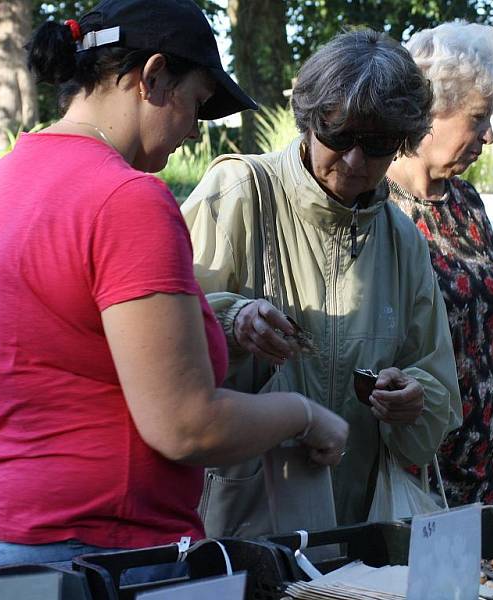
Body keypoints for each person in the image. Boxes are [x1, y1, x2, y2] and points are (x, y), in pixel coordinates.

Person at [0, 0, 348, 574]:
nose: (192, 130)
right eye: (197, 104)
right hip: (95, 553)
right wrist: (306, 415)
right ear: (153, 77)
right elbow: (186, 425)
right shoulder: (126, 198)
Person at [182, 29, 463, 527]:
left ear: (403, 144)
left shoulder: (402, 239)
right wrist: (232, 318)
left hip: (360, 525)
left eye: (377, 145)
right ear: (311, 121)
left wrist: (412, 396)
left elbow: (434, 382)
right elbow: (162, 340)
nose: (355, 161)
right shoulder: (240, 194)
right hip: (242, 519)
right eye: (340, 136)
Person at [386, 22, 493, 506]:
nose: (489, 136)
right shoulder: (380, 209)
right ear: (432, 113)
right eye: (478, 118)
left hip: (484, 463)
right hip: (418, 474)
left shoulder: (467, 201)